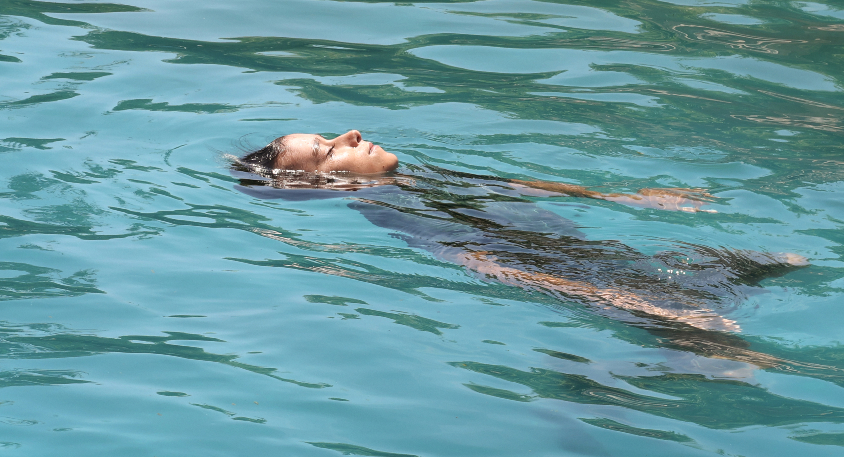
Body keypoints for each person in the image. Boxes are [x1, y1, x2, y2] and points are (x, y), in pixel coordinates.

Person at [235, 129, 808, 334]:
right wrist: (626, 302)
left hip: (578, 246)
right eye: (329, 149)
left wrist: (625, 197)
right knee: (672, 306)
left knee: (690, 268)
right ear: (319, 185)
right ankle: (682, 334)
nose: (352, 133)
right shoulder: (390, 209)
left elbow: (510, 184)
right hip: (571, 271)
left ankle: (700, 296)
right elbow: (485, 263)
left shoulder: (413, 177)